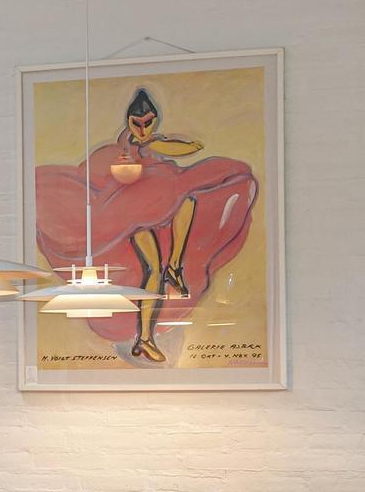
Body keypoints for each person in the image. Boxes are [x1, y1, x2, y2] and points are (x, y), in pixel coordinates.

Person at [33, 87, 259, 361]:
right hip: (134, 216)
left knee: (187, 198)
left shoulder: (152, 145)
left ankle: (172, 269)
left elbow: (193, 147)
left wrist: (154, 141)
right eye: (137, 123)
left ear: (155, 121)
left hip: (158, 210)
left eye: (148, 122)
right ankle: (147, 334)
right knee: (153, 268)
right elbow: (106, 172)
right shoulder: (123, 149)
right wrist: (146, 146)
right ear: (129, 122)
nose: (142, 129)